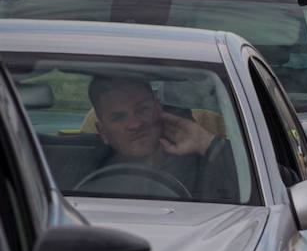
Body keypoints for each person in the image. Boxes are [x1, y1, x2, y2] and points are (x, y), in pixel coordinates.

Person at [87, 77, 237, 202]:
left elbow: (255, 188)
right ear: (103, 132)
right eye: (118, 117)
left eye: (142, 109)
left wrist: (206, 143)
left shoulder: (206, 164)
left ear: (158, 109)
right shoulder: (82, 174)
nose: (135, 124)